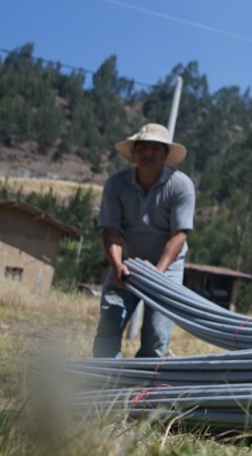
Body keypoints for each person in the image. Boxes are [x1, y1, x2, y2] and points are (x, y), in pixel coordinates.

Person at [92, 122, 196, 359]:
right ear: (134, 153)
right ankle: (105, 381)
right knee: (110, 320)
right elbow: (110, 229)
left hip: (166, 269)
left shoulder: (181, 186)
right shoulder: (116, 184)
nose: (148, 153)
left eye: (155, 148)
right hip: (127, 263)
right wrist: (117, 266)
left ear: (165, 154)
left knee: (157, 333)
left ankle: (144, 388)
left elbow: (179, 235)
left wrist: (157, 274)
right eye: (143, 148)